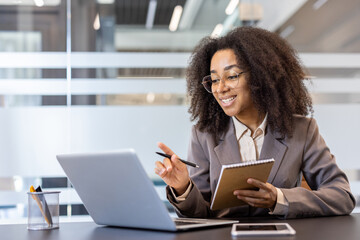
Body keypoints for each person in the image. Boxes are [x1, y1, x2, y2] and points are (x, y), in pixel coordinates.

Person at [154, 26, 356, 219]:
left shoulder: (302, 130)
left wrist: (279, 199)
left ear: (260, 76)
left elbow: (342, 196)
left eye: (231, 76)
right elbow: (200, 214)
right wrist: (182, 188)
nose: (220, 88)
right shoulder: (204, 135)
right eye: (214, 80)